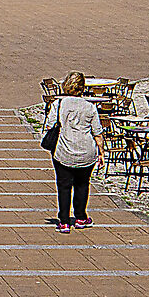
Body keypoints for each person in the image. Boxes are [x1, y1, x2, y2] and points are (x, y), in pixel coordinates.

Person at [43, 71, 103, 232]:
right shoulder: (90, 107)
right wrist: (101, 152)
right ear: (82, 88)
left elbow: (49, 126)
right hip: (86, 150)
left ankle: (63, 220)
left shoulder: (58, 105)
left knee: (64, 185)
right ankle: (81, 217)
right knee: (82, 184)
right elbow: (97, 132)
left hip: (63, 149)